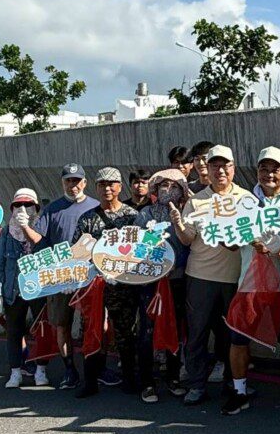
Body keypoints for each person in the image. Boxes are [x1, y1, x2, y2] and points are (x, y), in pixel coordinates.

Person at [223, 146, 280, 415]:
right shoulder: (243, 202)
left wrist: (277, 246)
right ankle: (239, 391)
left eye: (275, 168)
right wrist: (241, 238)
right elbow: (229, 243)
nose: (269, 174)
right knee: (238, 337)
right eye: (264, 168)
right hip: (250, 281)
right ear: (257, 171)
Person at [171, 145, 251, 405]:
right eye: (214, 165)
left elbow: (251, 236)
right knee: (197, 334)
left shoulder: (246, 198)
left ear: (233, 168)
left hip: (235, 279)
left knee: (231, 336)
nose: (220, 170)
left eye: (225, 165)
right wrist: (178, 225)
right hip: (200, 276)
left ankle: (233, 382)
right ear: (207, 167)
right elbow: (186, 239)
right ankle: (196, 384)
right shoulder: (196, 200)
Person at [71, 167, 142, 398]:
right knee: (91, 330)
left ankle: (130, 379)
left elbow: (141, 250)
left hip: (123, 284)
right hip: (94, 284)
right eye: (102, 184)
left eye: (112, 184)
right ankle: (90, 380)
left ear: (121, 187)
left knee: (125, 331)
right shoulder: (88, 218)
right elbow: (76, 251)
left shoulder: (132, 216)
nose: (107, 188)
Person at [32, 163, 100, 389]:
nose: (73, 185)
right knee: (61, 324)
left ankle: (96, 368)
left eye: (77, 180)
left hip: (89, 274)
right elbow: (40, 242)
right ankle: (69, 369)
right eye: (69, 181)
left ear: (85, 183)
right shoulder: (52, 209)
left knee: (94, 322)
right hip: (60, 275)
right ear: (63, 182)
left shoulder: (96, 206)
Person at [134, 169, 191, 401]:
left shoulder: (187, 213)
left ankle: (174, 376)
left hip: (177, 279)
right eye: (163, 185)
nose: (168, 189)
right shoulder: (146, 213)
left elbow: (190, 244)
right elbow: (136, 246)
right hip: (150, 281)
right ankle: (147, 381)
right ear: (155, 189)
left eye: (174, 185)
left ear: (182, 191)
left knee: (175, 328)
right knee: (147, 330)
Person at [0, 188, 51, 389]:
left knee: (42, 329)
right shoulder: (6, 233)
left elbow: (45, 251)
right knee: (14, 331)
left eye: (27, 205)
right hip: (13, 289)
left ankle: (41, 369)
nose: (22, 209)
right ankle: (15, 371)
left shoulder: (43, 227)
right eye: (18, 205)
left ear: (36, 207)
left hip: (39, 288)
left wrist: (27, 228)